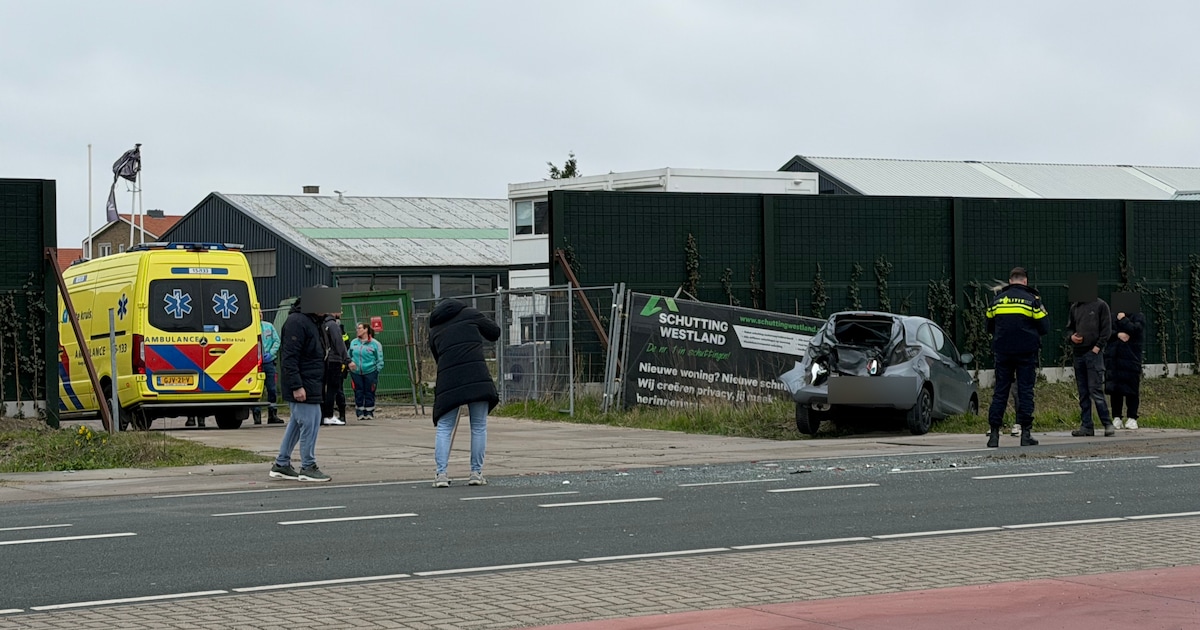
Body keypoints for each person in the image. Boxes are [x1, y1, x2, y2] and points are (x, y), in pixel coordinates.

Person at [428, 298, 501, 488]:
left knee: (444, 427)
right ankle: (476, 473)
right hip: (476, 376)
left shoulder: (435, 328)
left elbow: (438, 356)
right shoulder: (471, 314)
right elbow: (494, 333)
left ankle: (441, 474)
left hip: (449, 380)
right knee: (478, 426)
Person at [269, 292, 332, 482]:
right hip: (304, 382)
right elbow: (289, 357)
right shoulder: (298, 322)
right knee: (310, 422)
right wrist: (297, 385)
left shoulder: (313, 321)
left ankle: (282, 463)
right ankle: (308, 466)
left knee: (297, 424)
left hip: (310, 381)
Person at [985, 267, 1050, 448]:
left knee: (1000, 392)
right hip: (1026, 353)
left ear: (1010, 280)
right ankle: (1026, 434)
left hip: (1003, 353)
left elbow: (988, 326)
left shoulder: (997, 300)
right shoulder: (1032, 300)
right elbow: (1044, 327)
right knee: (1025, 391)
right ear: (1025, 281)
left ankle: (994, 435)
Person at [1068, 291, 1114, 437]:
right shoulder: (1074, 307)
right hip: (1078, 354)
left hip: (1093, 354)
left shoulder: (1101, 305)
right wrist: (1071, 337)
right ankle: (1086, 426)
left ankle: (1107, 423)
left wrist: (1097, 348)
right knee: (1083, 392)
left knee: (1095, 390)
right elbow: (1069, 327)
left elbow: (1106, 330)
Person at [1105, 309, 1145, 431]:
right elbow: (1106, 332)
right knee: (1115, 389)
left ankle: (1132, 417)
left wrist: (1123, 320)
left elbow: (1136, 330)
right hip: (1114, 358)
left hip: (1131, 358)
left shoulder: (1138, 315)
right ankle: (1116, 417)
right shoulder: (1112, 315)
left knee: (1132, 389)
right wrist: (1117, 334)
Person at [348, 322, 385, 420]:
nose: (357, 330)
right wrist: (350, 364)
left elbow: (379, 358)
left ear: (366, 330)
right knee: (358, 391)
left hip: (370, 371)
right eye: (357, 328)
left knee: (369, 391)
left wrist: (377, 369)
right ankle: (359, 412)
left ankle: (369, 412)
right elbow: (349, 355)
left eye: (360, 328)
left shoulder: (375, 344)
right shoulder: (354, 342)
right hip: (356, 372)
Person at [253, 310, 284, 425]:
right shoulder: (251, 328)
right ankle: (257, 415)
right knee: (257, 391)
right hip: (256, 363)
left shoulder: (268, 326)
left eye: (261, 313)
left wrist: (271, 353)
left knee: (272, 389)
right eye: (257, 313)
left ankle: (272, 414)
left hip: (268, 362)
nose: (260, 314)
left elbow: (276, 341)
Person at [319, 313, 350, 426]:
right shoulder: (333, 325)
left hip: (324, 360)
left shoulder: (322, 324)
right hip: (334, 360)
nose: (341, 311)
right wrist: (347, 359)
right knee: (333, 389)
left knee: (324, 389)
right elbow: (339, 343)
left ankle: (322, 415)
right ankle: (329, 415)